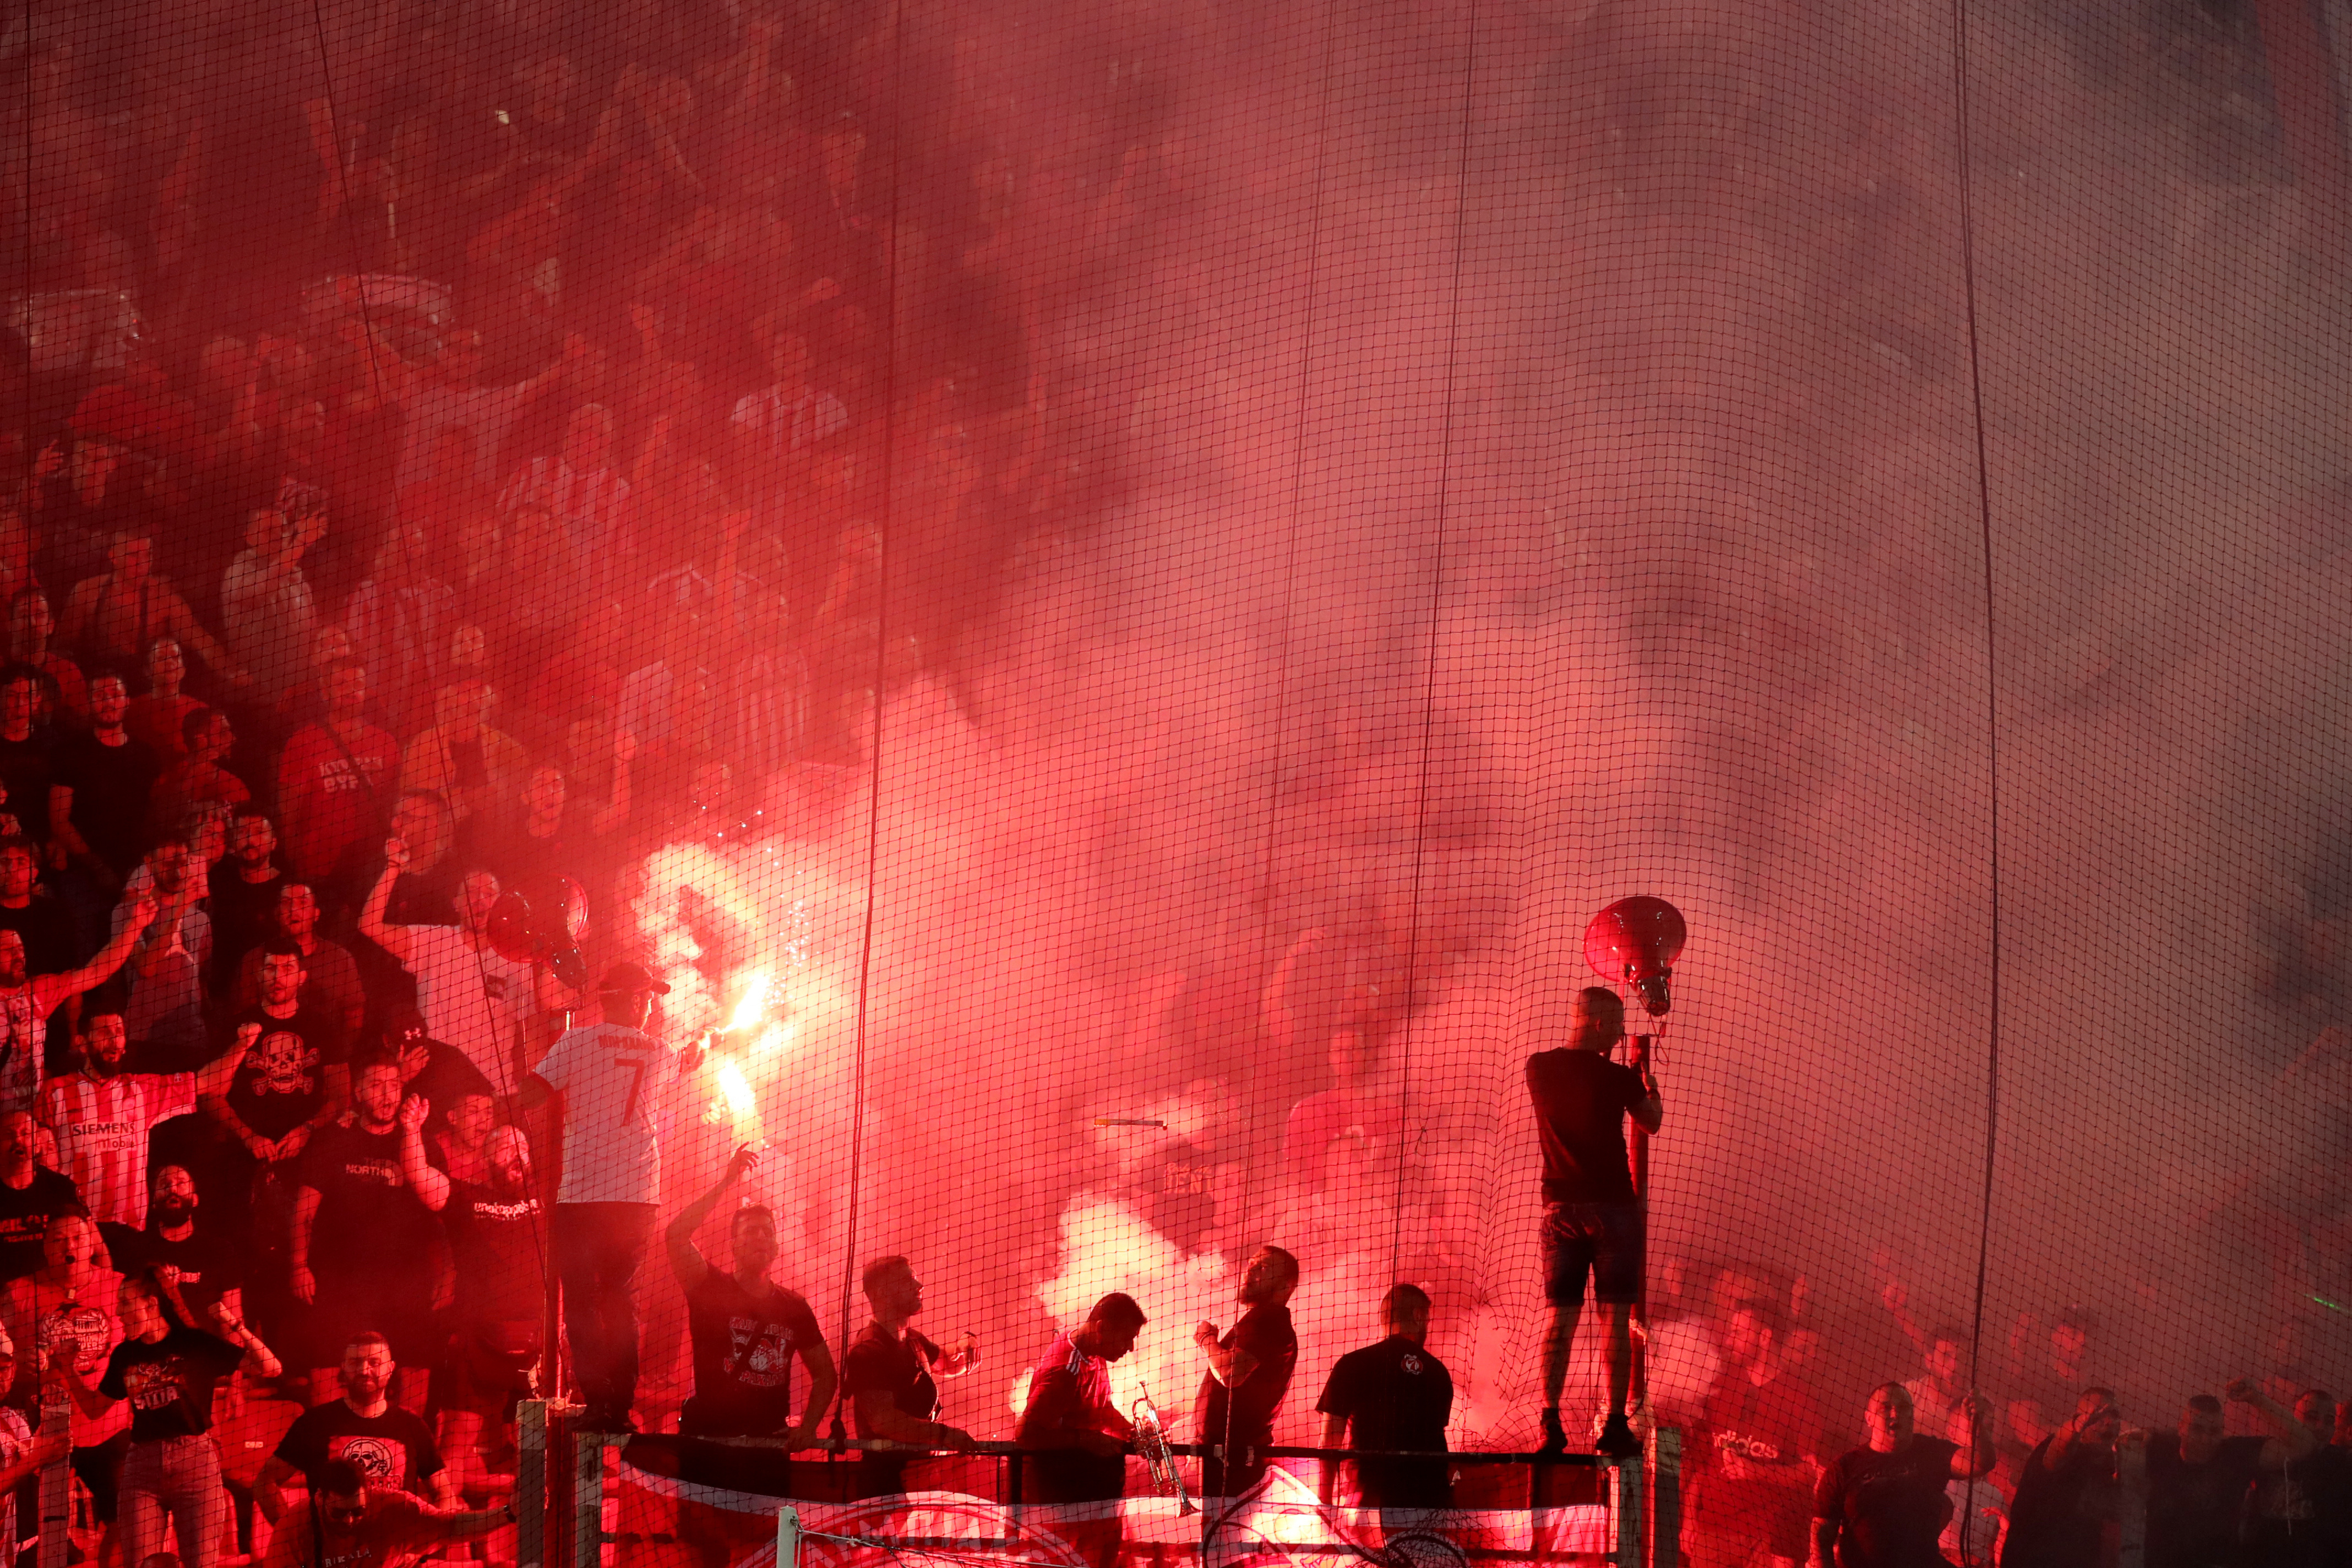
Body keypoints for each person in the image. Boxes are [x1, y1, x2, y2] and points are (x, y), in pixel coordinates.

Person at [527, 965, 696, 1431]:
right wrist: (704, 1046)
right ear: (629, 1000)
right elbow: (688, 1062)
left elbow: (533, 1094)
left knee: (580, 1299)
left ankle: (597, 1399)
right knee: (621, 1300)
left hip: (581, 1193)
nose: (651, 1006)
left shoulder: (575, 1042)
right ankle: (618, 1407)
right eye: (647, 998)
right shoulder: (661, 1051)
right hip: (636, 1196)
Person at [1526, 986, 1660, 1457]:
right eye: (1618, 1025)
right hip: (1614, 1210)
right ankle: (1616, 1423)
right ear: (1601, 1023)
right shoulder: (1619, 1077)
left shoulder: (1538, 1067)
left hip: (1560, 1209)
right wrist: (1645, 1078)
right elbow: (1652, 1121)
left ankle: (1550, 1421)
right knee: (1614, 1322)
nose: (1622, 1034)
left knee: (1559, 1320)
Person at [73, 1266, 280, 1568]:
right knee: (139, 1563)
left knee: (200, 1563)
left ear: (152, 1304)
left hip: (195, 1465)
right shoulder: (125, 1355)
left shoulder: (194, 1344)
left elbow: (271, 1367)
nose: (117, 1312)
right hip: (142, 1467)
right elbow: (94, 1408)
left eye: (125, 1303)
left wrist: (233, 1323)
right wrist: (66, 1368)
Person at [399, 1104, 542, 1495]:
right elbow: (422, 1180)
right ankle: (449, 1536)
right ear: (486, 1157)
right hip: (477, 1337)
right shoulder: (467, 1195)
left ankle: (526, 1537)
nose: (517, 1153)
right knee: (458, 1440)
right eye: (506, 1147)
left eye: (524, 1148)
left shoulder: (548, 1198)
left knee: (535, 1441)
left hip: (536, 1338)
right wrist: (411, 1130)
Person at [664, 1145, 835, 1450]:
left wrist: (809, 1427)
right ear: (734, 1245)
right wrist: (727, 1182)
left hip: (768, 1450)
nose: (760, 1238)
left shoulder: (794, 1307)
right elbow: (676, 1234)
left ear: (777, 1246)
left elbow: (825, 1374)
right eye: (751, 1232)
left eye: (767, 1233)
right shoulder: (709, 1287)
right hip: (710, 1447)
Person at [289, 1058, 435, 1410]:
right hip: (342, 1278)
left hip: (406, 1279)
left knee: (414, 1363)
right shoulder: (333, 1141)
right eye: (376, 1085)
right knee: (329, 1364)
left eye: (394, 1085)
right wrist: (297, 1265)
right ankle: (329, 1451)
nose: (387, 1094)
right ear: (358, 1092)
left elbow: (442, 1211)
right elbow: (304, 1208)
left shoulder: (419, 1140)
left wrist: (447, 1277)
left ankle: (405, 1452)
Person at [39, 1009, 248, 1227]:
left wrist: (242, 1046)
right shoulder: (55, 1092)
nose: (113, 1040)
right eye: (104, 1032)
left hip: (129, 1229)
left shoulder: (141, 1089)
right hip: (76, 1227)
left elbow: (208, 1081)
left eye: (119, 1032)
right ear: (82, 1043)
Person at [357, 846, 535, 1099]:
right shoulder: (434, 940)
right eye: (471, 894)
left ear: (501, 904)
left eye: (489, 894)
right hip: (437, 1087)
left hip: (493, 1094)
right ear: (457, 904)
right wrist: (393, 867)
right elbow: (369, 925)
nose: (480, 900)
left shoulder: (519, 957)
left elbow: (540, 1023)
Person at [8, 1212, 128, 1544]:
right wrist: (18, 1363)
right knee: (50, 1532)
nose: (69, 1245)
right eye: (59, 1239)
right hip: (51, 1429)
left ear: (92, 1244)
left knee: (120, 1526)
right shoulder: (17, 1294)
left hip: (111, 1424)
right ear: (46, 1248)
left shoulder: (120, 1286)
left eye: (77, 1237)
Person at [257, 1333, 454, 1520]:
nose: (364, 1370)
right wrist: (295, 1533)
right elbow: (264, 1483)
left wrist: (423, 1542)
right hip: (333, 1552)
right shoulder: (315, 1422)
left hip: (395, 1551)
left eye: (374, 1363)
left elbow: (445, 1494)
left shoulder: (412, 1425)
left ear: (391, 1368)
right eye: (355, 1362)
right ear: (343, 1367)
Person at [1685, 1302, 1821, 1568]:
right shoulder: (1721, 1384)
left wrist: (1756, 1472)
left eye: (1739, 1332)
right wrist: (1689, 1518)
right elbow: (1701, 1460)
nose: (1730, 1339)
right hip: (1712, 1531)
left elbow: (1810, 1471)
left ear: (1765, 1337)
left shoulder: (1799, 1396)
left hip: (1767, 1538)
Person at [0, 894, 156, 1115]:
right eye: (8, 951)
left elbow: (96, 971)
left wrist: (135, 925)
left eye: (20, 949)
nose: (18, 955)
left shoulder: (37, 993)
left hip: (30, 1115)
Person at [1811, 1383, 1995, 1568]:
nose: (1895, 1414)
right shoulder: (1845, 1467)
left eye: (1904, 1408)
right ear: (1869, 1418)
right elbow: (1822, 1534)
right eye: (1886, 1408)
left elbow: (1981, 1463)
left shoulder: (1929, 1452)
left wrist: (1977, 1428)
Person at [843, 1255, 979, 1498]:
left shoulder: (912, 1339)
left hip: (919, 1480)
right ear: (883, 1291)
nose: (920, 1287)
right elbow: (883, 1421)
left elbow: (949, 1363)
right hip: (884, 1487)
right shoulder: (868, 1350)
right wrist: (945, 1435)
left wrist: (965, 1341)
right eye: (909, 1281)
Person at [2140, 1381, 2316, 1568]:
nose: (2205, 1439)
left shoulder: (2235, 1455)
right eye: (2197, 1429)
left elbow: (2303, 1445)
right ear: (2181, 1428)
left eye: (2215, 1431)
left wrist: (2257, 1400)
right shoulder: (2159, 1449)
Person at [1315, 1283, 1453, 1512]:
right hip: (1428, 1500)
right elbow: (1437, 1441)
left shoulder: (1353, 1363)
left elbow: (1329, 1443)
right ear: (1419, 1316)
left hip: (1368, 1498)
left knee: (1363, 1549)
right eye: (1427, 1321)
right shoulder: (1438, 1372)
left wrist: (1326, 1505)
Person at [260, 1456, 510, 1568]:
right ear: (319, 1499)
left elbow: (456, 1526)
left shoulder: (396, 1507)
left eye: (358, 1511)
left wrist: (509, 1513)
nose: (349, 1520)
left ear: (368, 1493)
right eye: (338, 1513)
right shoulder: (294, 1526)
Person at [1015, 1292, 1145, 1505]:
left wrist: (1133, 1434)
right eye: (1126, 1338)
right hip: (1058, 1491)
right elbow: (1024, 1435)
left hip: (1080, 1484)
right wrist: (1088, 1440)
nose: (1130, 1347)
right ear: (1101, 1329)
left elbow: (1103, 1409)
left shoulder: (1094, 1352)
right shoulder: (1065, 1372)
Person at [1192, 1244, 1299, 1499]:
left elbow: (1230, 1373)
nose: (1249, 1271)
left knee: (1224, 1536)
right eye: (1250, 1264)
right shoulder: (1261, 1320)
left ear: (1286, 1286)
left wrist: (1207, 1339)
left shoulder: (1269, 1320)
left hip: (1234, 1462)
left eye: (1262, 1268)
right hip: (1229, 1458)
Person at [275, 661, 398, 884]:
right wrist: (295, 864)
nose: (352, 690)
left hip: (372, 865)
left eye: (358, 684)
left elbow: (394, 804)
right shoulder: (303, 742)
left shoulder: (386, 742)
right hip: (319, 866)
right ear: (325, 692)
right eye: (342, 684)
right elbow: (290, 811)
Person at [48, 671, 161, 888]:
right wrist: (96, 865)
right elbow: (59, 820)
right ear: (90, 703)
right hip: (83, 868)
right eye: (100, 696)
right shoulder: (70, 753)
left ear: (127, 702)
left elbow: (156, 812)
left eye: (115, 695)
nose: (108, 702)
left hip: (136, 866)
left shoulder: (146, 755)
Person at [1991, 1387, 2119, 1568]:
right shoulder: (2056, 1447)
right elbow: (2058, 1452)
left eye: (2113, 1414)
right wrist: (2076, 1426)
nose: (2108, 1421)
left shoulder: (2106, 1462)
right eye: (2098, 1415)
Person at [101, 1166, 242, 1324]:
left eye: (181, 1183)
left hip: (204, 1346)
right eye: (165, 1185)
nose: (172, 1189)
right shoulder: (133, 1247)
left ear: (195, 1199)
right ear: (153, 1201)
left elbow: (233, 1317)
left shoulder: (219, 1250)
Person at [230, 884, 363, 1039]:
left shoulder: (340, 959)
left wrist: (342, 1057)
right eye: (286, 902)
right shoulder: (254, 959)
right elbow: (241, 1013)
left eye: (302, 902)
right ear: (276, 914)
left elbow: (354, 1013)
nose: (293, 910)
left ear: (316, 914)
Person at [0, 1111, 84, 1281]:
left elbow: (95, 1247)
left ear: (38, 1145)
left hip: (50, 1293)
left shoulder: (61, 1188)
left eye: (25, 1134)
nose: (18, 1140)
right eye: (10, 1135)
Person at [206, 808, 283, 992]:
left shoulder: (287, 889)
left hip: (267, 989)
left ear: (273, 843)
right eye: (242, 832)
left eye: (259, 832)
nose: (250, 840)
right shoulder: (218, 878)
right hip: (218, 989)